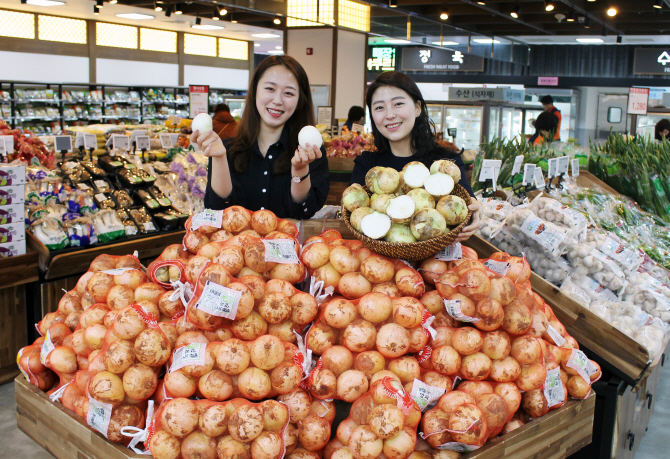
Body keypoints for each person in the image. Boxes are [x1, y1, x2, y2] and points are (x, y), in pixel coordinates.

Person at [192, 55, 330, 219]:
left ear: (300, 100)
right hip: (238, 245)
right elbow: (218, 211)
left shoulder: (310, 153)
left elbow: (304, 212)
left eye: (288, 93)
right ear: (255, 90)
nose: (277, 101)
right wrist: (220, 158)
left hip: (288, 244)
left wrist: (300, 171)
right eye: (270, 89)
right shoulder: (228, 150)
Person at [350, 71, 481, 243]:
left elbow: (466, 203)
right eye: (379, 107)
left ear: (418, 108)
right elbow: (355, 215)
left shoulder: (446, 163)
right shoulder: (367, 165)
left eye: (398, 104)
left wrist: (476, 209)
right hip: (381, 264)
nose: (389, 114)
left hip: (437, 262)